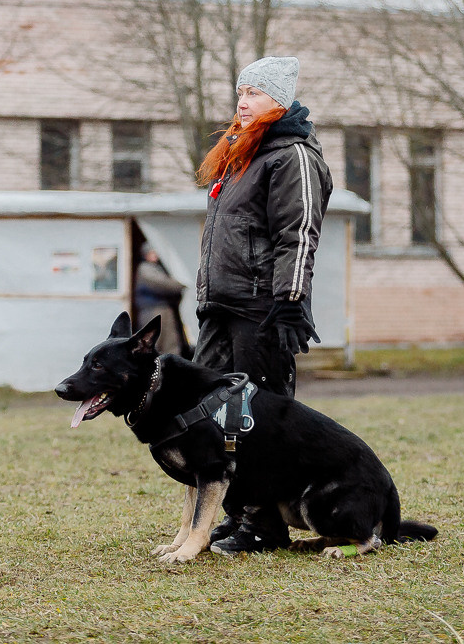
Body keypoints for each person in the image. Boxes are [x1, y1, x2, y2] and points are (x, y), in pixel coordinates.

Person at [193, 55, 333, 555]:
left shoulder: (291, 155)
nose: (242, 102)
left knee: (259, 417)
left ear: (281, 100)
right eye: (240, 92)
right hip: (220, 307)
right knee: (209, 413)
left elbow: (297, 236)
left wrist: (290, 301)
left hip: (262, 308)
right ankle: (238, 515)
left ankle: (266, 526)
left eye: (254, 93)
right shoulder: (241, 155)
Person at [134, 244, 187, 356]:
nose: (155, 255)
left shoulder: (157, 268)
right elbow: (162, 284)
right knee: (154, 341)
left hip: (162, 308)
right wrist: (181, 285)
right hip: (153, 309)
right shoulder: (145, 268)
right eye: (152, 252)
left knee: (170, 341)